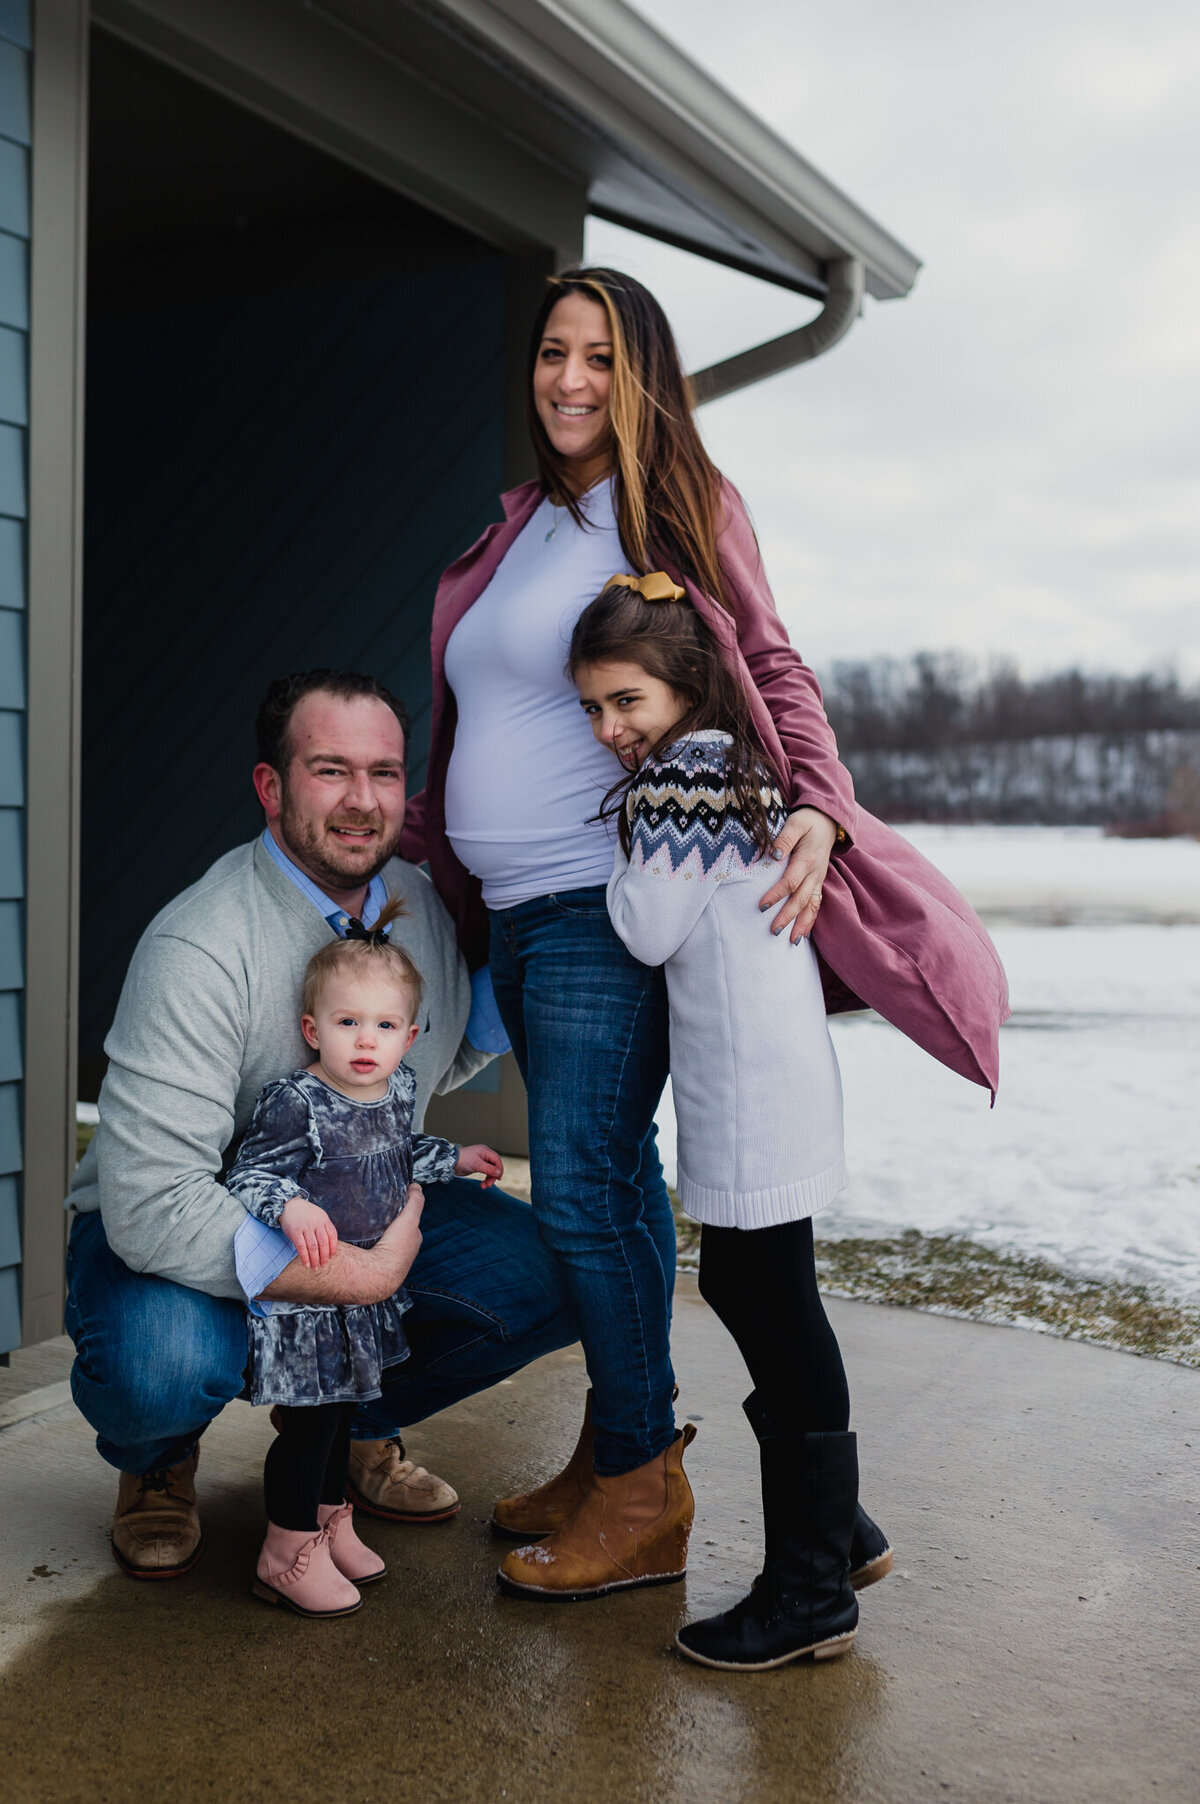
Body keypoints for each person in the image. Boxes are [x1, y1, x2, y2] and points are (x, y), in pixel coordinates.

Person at [402, 266, 1008, 1604]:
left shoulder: (681, 506)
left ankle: (639, 1486)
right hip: (511, 909)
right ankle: (620, 1449)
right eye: (551, 352)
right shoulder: (523, 530)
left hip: (603, 904)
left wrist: (822, 811)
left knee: (580, 1184)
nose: (567, 378)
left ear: (643, 373)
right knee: (602, 1189)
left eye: (597, 357)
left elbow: (772, 665)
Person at [65, 669, 575, 1581]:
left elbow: (425, 1065)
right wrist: (362, 1276)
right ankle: (157, 1460)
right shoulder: (201, 945)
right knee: (163, 1362)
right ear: (272, 787)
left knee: (558, 1273)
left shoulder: (410, 905)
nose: (361, 801)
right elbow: (149, 1202)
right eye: (330, 770)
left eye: (383, 773)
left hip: (353, 1201)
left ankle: (350, 1423)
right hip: (185, 1228)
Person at [561, 572, 877, 1665]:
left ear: (683, 686)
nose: (609, 729)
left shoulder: (678, 782)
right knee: (758, 1284)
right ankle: (840, 1531)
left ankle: (810, 1591)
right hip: (773, 1070)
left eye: (626, 703)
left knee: (777, 1304)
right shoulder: (731, 762)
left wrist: (607, 860)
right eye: (594, 707)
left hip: (748, 1083)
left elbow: (645, 927)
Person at [226, 896, 505, 1617]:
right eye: (347, 1023)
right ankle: (286, 1551)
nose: (364, 1041)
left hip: (365, 1299)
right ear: (312, 1029)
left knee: (350, 1413)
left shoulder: (397, 1089)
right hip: (312, 1294)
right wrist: (291, 1204)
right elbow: (249, 1172)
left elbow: (402, 1152)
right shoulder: (298, 1101)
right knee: (310, 1423)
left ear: (409, 1036)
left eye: (383, 1026)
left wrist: (453, 1157)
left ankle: (327, 1523)